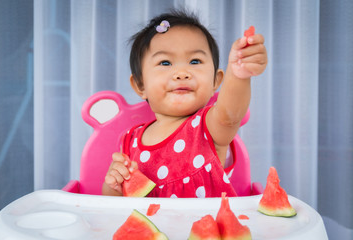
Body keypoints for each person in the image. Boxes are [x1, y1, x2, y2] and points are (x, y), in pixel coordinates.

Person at [102, 10, 267, 198]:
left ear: (215, 80)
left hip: (206, 226)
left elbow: (229, 116)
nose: (182, 72)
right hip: (151, 227)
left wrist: (239, 75)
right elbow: (115, 205)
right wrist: (114, 185)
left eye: (195, 61)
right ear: (140, 85)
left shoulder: (208, 127)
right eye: (165, 63)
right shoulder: (129, 141)